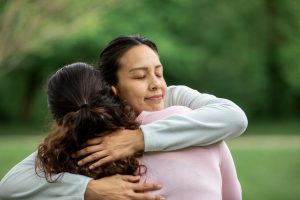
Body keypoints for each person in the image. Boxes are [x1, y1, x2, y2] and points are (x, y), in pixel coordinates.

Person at [0, 35, 247, 200]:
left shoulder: (176, 97)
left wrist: (140, 138)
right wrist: (87, 189)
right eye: (140, 76)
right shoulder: (93, 137)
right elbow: (10, 184)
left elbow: (235, 118)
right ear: (112, 89)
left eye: (159, 73)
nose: (155, 85)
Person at [37, 62, 241, 199]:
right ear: (114, 94)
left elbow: (8, 186)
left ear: (58, 121)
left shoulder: (60, 163)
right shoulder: (191, 120)